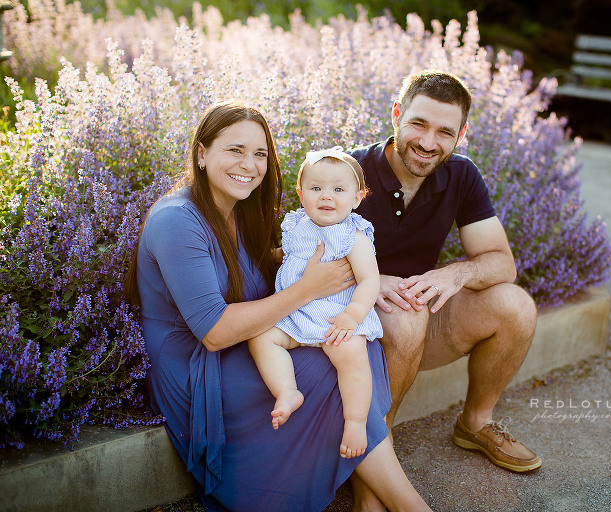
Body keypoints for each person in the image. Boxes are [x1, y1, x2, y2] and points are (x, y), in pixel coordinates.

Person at [125, 100, 431, 512]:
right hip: (197, 364)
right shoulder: (176, 221)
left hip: (245, 338)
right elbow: (213, 333)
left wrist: (356, 282)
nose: (249, 165)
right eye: (235, 150)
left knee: (353, 342)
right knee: (332, 362)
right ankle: (405, 505)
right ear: (201, 153)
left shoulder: (239, 210)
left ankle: (372, 499)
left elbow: (275, 265)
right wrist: (308, 290)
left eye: (260, 154)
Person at [348, 69, 541, 509]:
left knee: (515, 305)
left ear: (462, 134)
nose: (428, 142)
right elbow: (297, 257)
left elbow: (501, 263)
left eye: (444, 131)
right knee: (408, 313)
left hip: (413, 325)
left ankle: (475, 423)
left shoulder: (461, 175)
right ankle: (376, 460)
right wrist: (370, 279)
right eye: (418, 123)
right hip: (344, 327)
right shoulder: (350, 170)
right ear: (396, 114)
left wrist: (456, 274)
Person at [248, 146, 382, 460]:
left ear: (357, 198)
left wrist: (352, 316)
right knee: (261, 336)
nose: (326, 196)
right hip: (295, 311)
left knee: (353, 357)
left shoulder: (353, 236)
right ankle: (287, 390)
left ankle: (356, 421)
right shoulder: (296, 226)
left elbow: (370, 280)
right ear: (301, 193)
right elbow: (285, 257)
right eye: (316, 188)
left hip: (337, 316)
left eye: (338, 189)